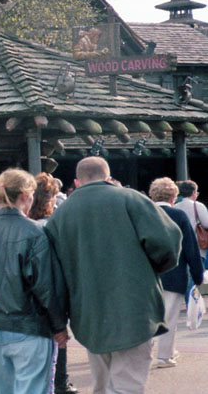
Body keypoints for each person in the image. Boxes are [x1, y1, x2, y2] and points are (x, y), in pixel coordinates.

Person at [45, 157, 182, 393]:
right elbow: (168, 243)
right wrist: (148, 270)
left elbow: (53, 273)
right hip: (135, 307)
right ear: (108, 177)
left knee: (101, 385)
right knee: (127, 384)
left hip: (88, 313)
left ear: (77, 181)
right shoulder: (132, 199)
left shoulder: (60, 215)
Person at [0, 169, 67, 394]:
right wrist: (59, 325)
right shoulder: (35, 233)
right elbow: (46, 286)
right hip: (29, 326)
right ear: (24, 195)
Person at [28, 173, 76, 394]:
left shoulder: (23, 225)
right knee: (58, 336)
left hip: (25, 293)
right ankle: (60, 382)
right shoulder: (52, 225)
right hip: (53, 289)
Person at [149, 177, 204, 368]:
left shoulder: (144, 214)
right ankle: (164, 356)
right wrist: (197, 276)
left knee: (148, 316)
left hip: (147, 276)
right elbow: (190, 249)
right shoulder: (178, 216)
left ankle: (145, 352)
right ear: (174, 196)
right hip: (174, 274)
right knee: (169, 318)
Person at [174, 180, 208, 268]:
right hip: (196, 247)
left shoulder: (175, 207)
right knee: (196, 276)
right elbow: (206, 224)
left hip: (179, 248)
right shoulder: (198, 206)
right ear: (193, 192)